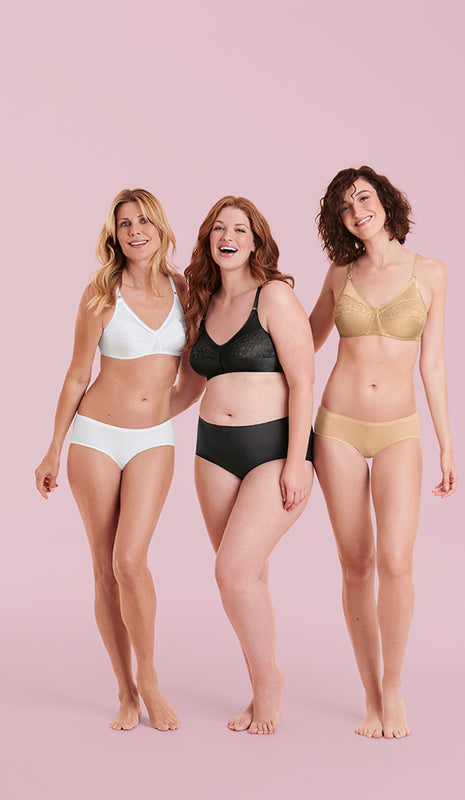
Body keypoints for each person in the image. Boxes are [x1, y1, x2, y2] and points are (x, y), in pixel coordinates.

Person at [310, 166, 457, 739]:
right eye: (345, 208)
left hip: (398, 430)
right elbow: (304, 342)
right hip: (337, 429)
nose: (357, 212)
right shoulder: (339, 273)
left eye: (364, 198)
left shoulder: (431, 272)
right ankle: (370, 695)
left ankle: (392, 687)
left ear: (386, 201)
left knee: (396, 562)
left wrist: (446, 445)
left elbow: (433, 365)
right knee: (357, 565)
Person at [35, 188, 187, 731]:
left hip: (153, 441)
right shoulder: (101, 293)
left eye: (144, 221)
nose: (136, 231)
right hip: (96, 437)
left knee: (131, 561)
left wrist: (161, 411)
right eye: (125, 224)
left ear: (160, 227)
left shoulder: (184, 289)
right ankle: (126, 690)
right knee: (105, 567)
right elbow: (78, 374)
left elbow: (195, 372)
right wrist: (53, 448)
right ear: (114, 235)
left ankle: (149, 677)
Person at [182, 196, 314, 734]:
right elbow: (187, 388)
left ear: (255, 240)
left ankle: (269, 682)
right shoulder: (201, 301)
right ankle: (260, 686)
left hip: (273, 449)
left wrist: (297, 462)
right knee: (246, 578)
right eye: (219, 228)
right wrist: (122, 414)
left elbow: (303, 381)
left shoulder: (274, 296)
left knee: (231, 572)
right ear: (208, 240)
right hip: (212, 450)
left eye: (240, 229)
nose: (228, 237)